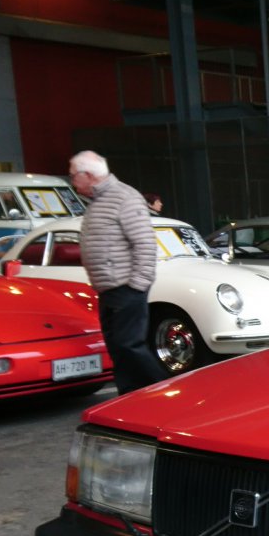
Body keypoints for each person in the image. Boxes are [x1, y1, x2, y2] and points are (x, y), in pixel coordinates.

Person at [69, 150, 164, 394]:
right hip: (110, 288)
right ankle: (130, 398)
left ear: (87, 175)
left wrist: (137, 284)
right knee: (118, 347)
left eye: (73, 177)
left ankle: (164, 393)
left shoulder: (124, 197)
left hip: (125, 287)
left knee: (129, 345)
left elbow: (144, 243)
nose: (72, 182)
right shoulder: (99, 201)